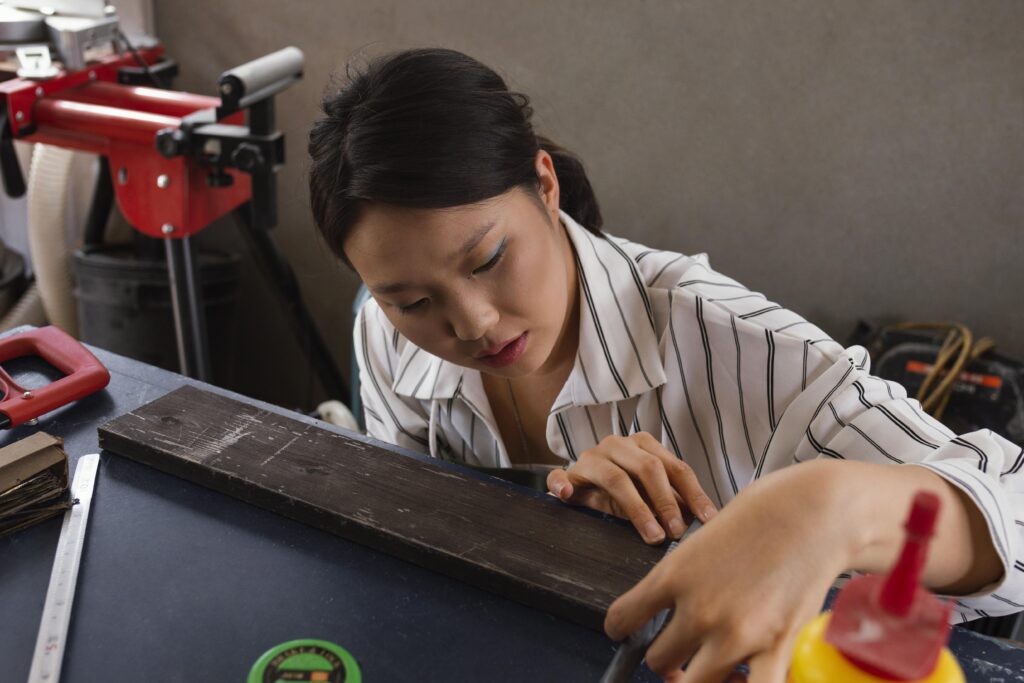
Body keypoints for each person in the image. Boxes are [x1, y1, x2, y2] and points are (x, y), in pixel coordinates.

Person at [308, 48, 1023, 682]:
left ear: (545, 185)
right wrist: (570, 535)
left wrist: (829, 508)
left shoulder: (747, 350)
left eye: (489, 259)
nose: (473, 324)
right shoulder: (387, 335)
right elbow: (412, 533)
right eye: (412, 300)